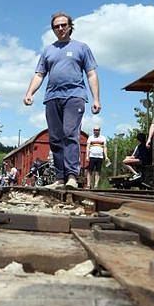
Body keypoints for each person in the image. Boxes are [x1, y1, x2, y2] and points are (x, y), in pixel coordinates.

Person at [24, 11, 100, 189]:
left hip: (75, 96)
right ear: (53, 29)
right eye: (56, 26)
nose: (60, 28)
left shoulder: (82, 47)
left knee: (69, 133)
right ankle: (60, 178)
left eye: (63, 25)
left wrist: (96, 98)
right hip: (52, 97)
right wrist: (30, 92)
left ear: (70, 26)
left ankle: (72, 176)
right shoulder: (48, 50)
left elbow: (91, 73)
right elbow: (39, 74)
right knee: (56, 138)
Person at [85, 124, 109, 189]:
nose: (96, 131)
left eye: (97, 130)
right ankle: (88, 184)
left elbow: (105, 148)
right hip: (92, 156)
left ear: (99, 131)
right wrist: (87, 156)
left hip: (100, 157)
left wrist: (106, 156)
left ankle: (96, 185)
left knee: (98, 171)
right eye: (95, 130)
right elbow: (88, 147)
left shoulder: (103, 138)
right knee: (89, 171)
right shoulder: (90, 138)